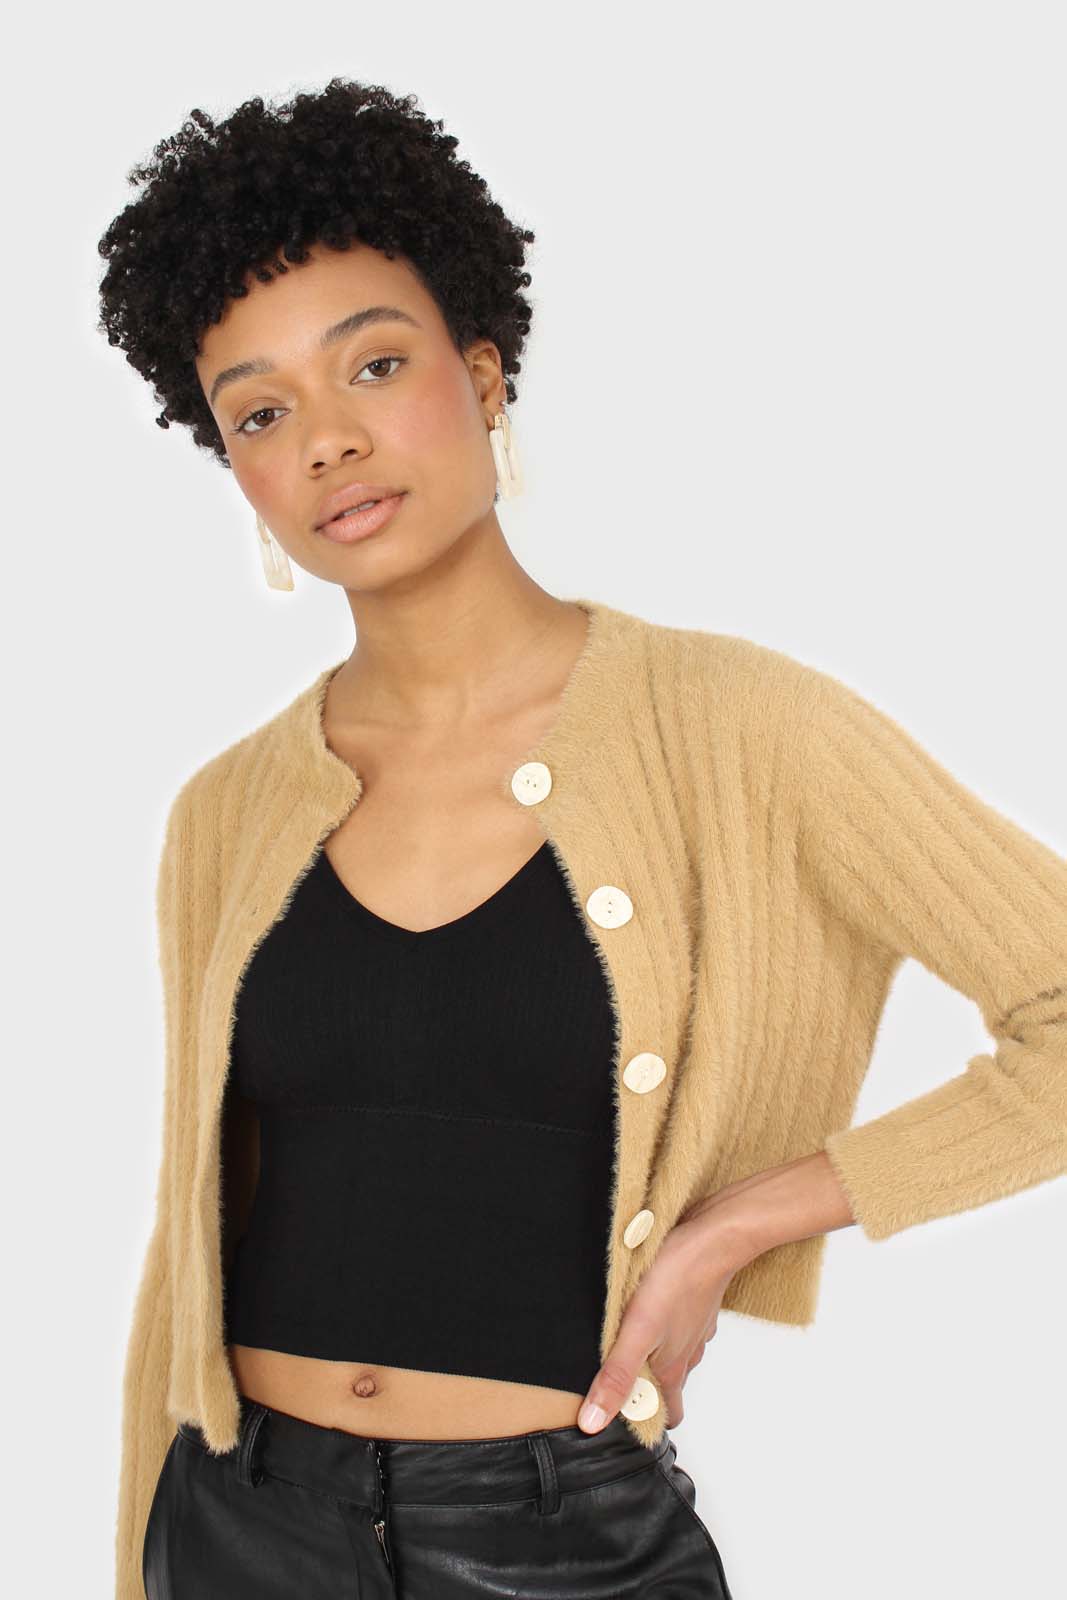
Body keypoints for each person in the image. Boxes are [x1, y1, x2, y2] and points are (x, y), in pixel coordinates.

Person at [99, 79, 1067, 1600]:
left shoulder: (741, 730)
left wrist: (738, 1226)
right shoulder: (227, 808)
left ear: (485, 375)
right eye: (263, 412)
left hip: (555, 1539)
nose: (330, 441)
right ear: (239, 471)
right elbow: (187, 1255)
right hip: (237, 1523)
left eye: (376, 363)